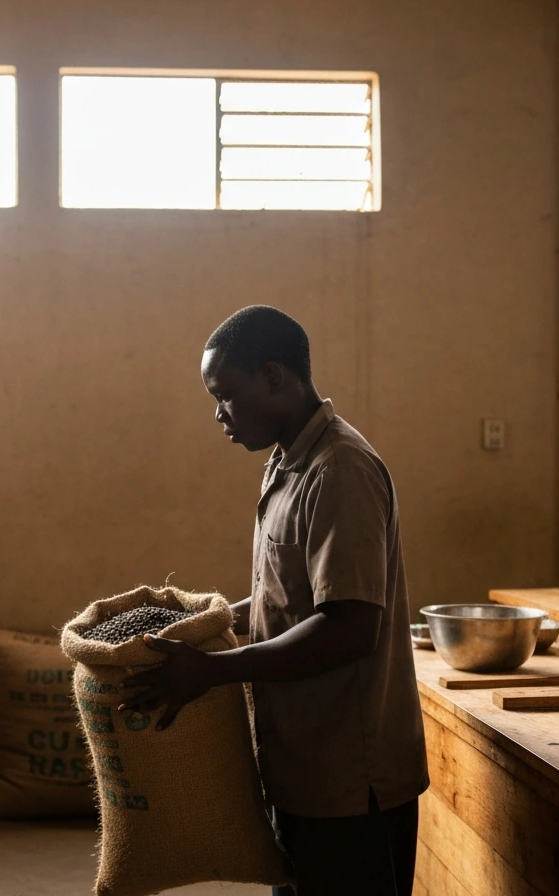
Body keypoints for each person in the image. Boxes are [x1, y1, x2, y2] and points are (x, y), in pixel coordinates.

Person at [119, 305, 429, 896]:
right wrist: (205, 624)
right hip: (300, 766)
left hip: (349, 782)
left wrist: (211, 671)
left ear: (273, 376)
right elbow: (285, 599)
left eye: (227, 395)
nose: (219, 415)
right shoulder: (286, 465)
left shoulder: (339, 469)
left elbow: (347, 627)